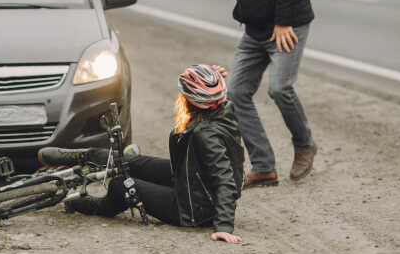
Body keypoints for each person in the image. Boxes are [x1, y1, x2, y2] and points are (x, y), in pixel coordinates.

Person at [182, 0, 317, 188]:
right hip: (256, 30)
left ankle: (304, 145)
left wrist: (282, 21)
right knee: (236, 92)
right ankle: (265, 167)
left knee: (280, 88)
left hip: (286, 25)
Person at [38, 64, 245, 243]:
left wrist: (223, 227)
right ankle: (83, 155)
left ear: (192, 101)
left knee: (121, 185)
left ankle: (96, 205)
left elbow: (225, 179)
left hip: (193, 208)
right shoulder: (224, 108)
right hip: (191, 178)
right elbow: (212, 97)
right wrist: (210, 80)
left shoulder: (206, 134)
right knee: (131, 162)